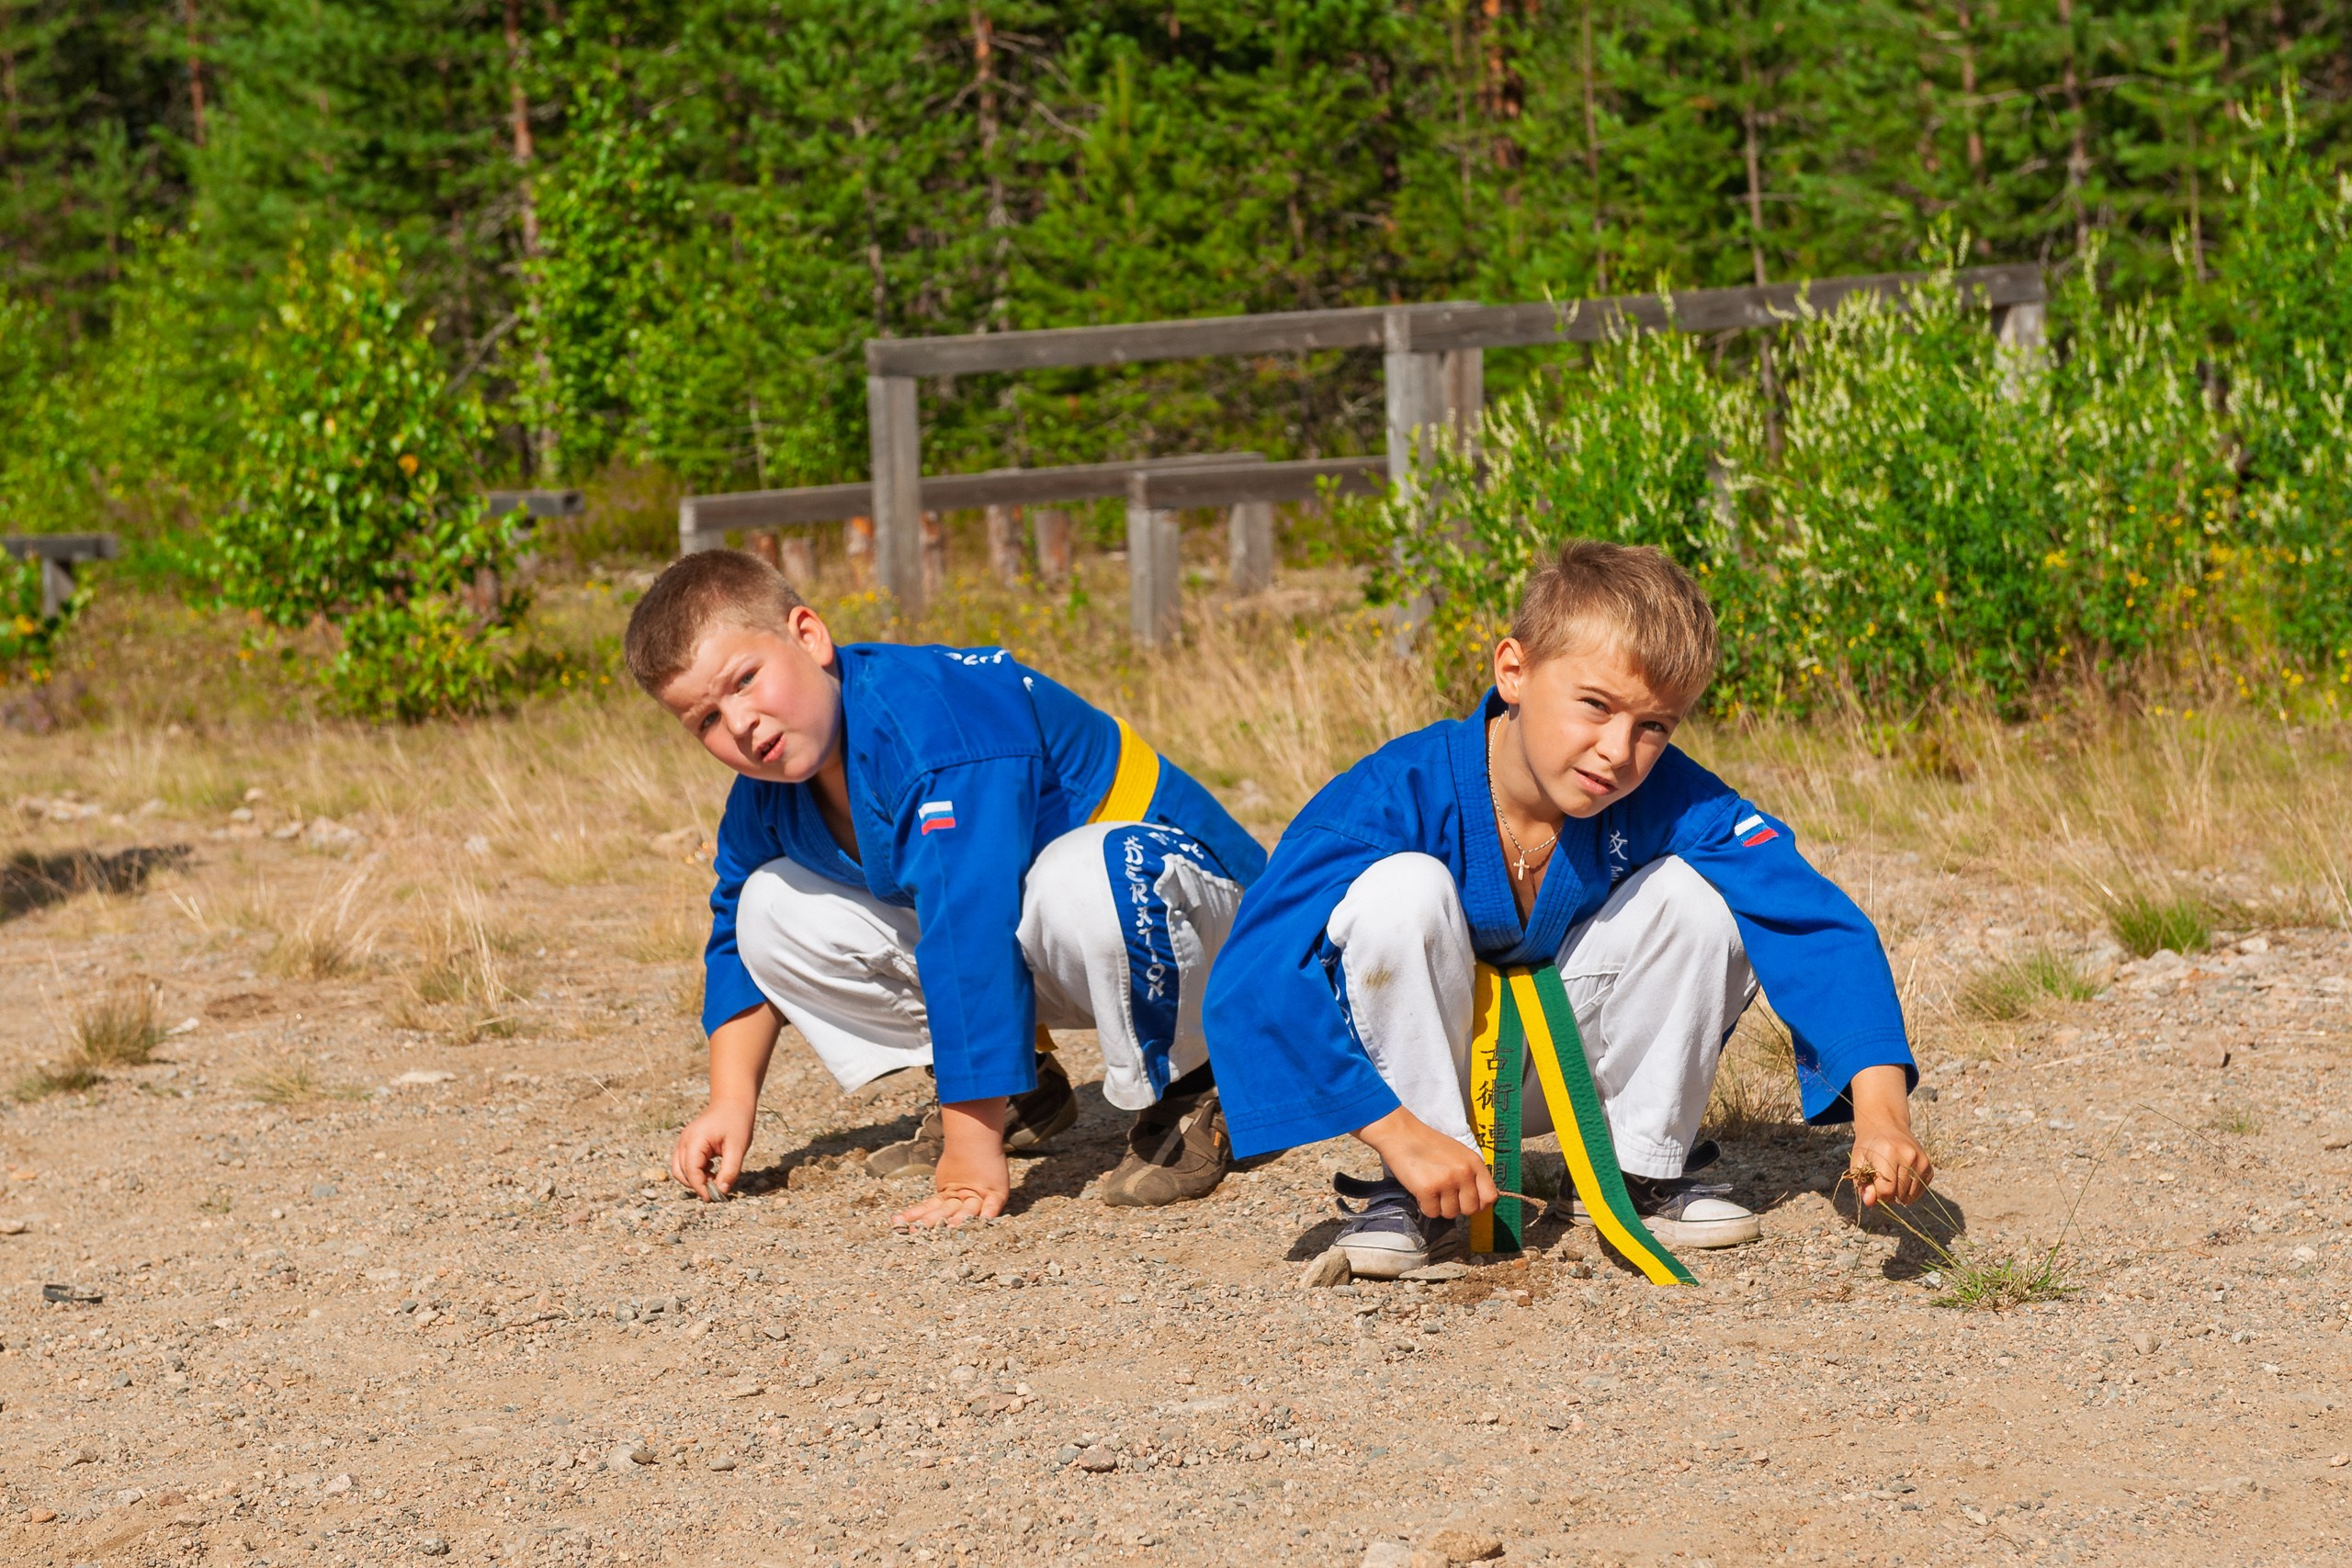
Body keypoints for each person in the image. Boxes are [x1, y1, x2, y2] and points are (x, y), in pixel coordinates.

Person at [1202, 539, 1931, 1278]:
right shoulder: (1392, 792)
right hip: (1419, 1077)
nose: (1620, 750)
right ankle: (1415, 1191)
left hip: (1562, 1073)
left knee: (1706, 895)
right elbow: (1254, 972)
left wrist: (1880, 1114)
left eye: (1656, 725)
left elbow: (1813, 919)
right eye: (1595, 704)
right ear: (1513, 670)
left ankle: (1636, 1169)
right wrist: (1395, 1133)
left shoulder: (1668, 792)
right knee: (1403, 892)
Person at [624, 549, 1265, 1227]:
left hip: (1208, 935)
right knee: (767, 903)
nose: (740, 724)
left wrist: (968, 1148)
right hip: (1065, 946)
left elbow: (971, 931)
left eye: (745, 680)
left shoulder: (933, 725)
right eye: (706, 720)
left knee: (1082, 875)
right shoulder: (768, 793)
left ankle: (1194, 1080)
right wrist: (730, 1099)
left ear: (808, 636)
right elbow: (732, 937)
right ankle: (1022, 1092)